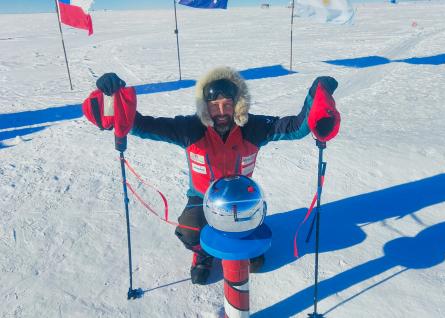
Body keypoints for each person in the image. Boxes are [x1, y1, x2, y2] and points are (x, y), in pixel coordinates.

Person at [86, 66, 339, 285]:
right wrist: (111, 96)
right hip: (201, 196)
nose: (220, 111)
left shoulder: (254, 128)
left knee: (256, 261)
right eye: (214, 105)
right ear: (205, 107)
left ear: (237, 105)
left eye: (227, 105)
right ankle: (203, 253)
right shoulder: (190, 129)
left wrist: (316, 94)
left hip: (243, 199)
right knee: (189, 230)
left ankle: (244, 244)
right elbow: (138, 124)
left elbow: (296, 127)